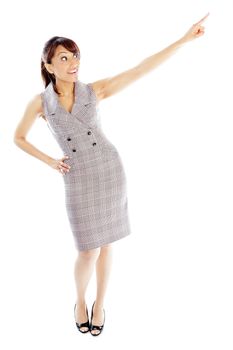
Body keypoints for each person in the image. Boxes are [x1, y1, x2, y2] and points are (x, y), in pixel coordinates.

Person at [13, 12, 209, 336]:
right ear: (48, 66)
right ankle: (79, 300)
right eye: (63, 57)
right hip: (76, 177)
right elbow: (18, 138)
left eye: (75, 55)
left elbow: (140, 69)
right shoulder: (41, 103)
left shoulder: (94, 91)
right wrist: (49, 161)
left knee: (107, 244)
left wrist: (184, 39)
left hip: (109, 170)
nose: (72, 62)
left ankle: (100, 303)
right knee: (86, 248)